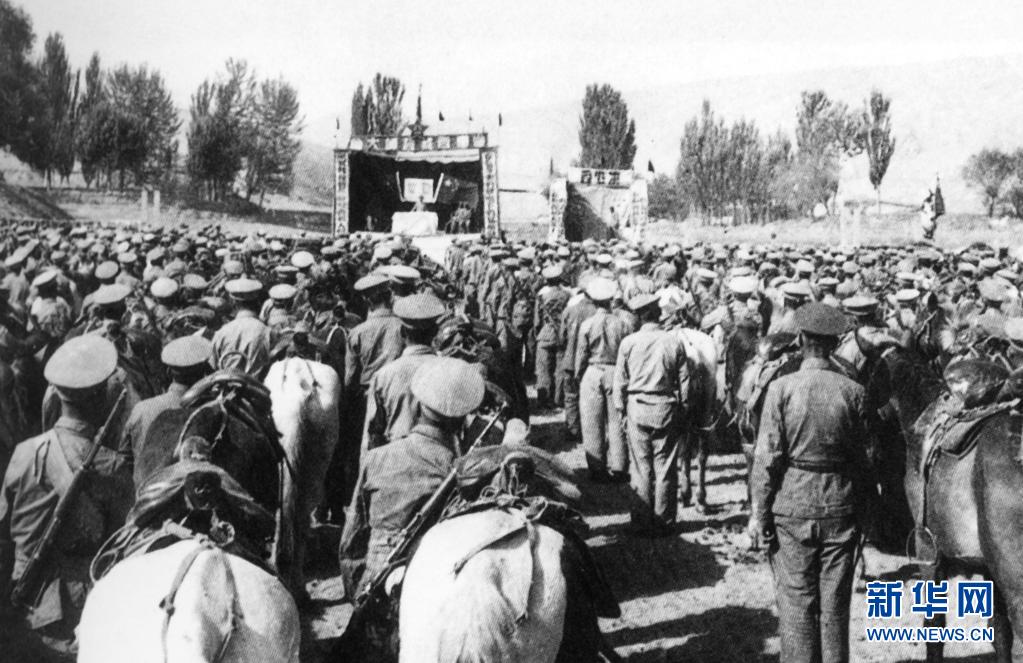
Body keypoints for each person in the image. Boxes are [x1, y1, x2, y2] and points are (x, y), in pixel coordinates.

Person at [748, 303, 875, 663]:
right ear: (835, 344)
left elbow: (766, 459)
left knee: (795, 601)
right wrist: (865, 513)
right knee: (835, 603)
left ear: (801, 339)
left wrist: (759, 514)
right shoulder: (854, 391)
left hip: (792, 505)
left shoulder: (780, 389)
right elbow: (865, 461)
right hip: (840, 506)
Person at [0, 336, 133, 661]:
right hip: (78, 615)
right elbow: (121, 548)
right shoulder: (112, 466)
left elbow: (4, 529)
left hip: (23, 606)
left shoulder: (24, 452)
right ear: (101, 397)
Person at [339, 356, 484, 596]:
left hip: (373, 583)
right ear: (460, 422)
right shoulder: (457, 472)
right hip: (431, 587)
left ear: (417, 408)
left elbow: (351, 540)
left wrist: (358, 594)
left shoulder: (376, 459)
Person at [613, 294, 689, 535]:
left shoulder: (628, 343)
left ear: (639, 317)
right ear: (658, 314)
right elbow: (684, 382)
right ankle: (664, 521)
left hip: (637, 406)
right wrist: (683, 409)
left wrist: (620, 409)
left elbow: (619, 382)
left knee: (640, 467)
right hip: (665, 406)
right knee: (665, 466)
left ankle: (641, 521)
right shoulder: (673, 341)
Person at [118, 335, 213, 488]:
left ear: (168, 371)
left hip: (146, 493)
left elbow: (125, 460)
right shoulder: (210, 412)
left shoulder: (141, 409)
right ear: (204, 372)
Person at [362, 293, 444, 452]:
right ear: (435, 331)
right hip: (437, 458)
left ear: (402, 333)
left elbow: (372, 435)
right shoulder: (447, 369)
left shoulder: (384, 375)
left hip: (395, 456)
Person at [575, 277, 631, 482]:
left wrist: (579, 375)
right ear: (610, 300)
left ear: (593, 301)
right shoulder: (623, 324)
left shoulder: (587, 324)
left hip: (593, 370)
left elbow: (581, 355)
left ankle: (597, 468)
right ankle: (619, 466)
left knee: (592, 421)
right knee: (617, 421)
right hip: (616, 371)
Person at [211, 277, 271, 377]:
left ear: (233, 302)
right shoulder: (267, 331)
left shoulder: (222, 332)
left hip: (226, 383)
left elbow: (214, 365)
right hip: (257, 385)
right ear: (257, 301)